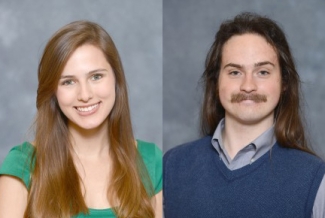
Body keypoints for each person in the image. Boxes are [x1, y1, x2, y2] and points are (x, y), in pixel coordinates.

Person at [163, 12, 325, 218]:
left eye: (263, 72)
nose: (248, 86)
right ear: (216, 82)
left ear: (284, 82)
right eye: (235, 72)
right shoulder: (172, 167)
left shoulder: (316, 180)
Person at [0, 21, 162, 218]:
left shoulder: (151, 161)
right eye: (68, 82)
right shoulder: (22, 164)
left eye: (96, 77)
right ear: (53, 91)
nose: (85, 94)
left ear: (116, 79)